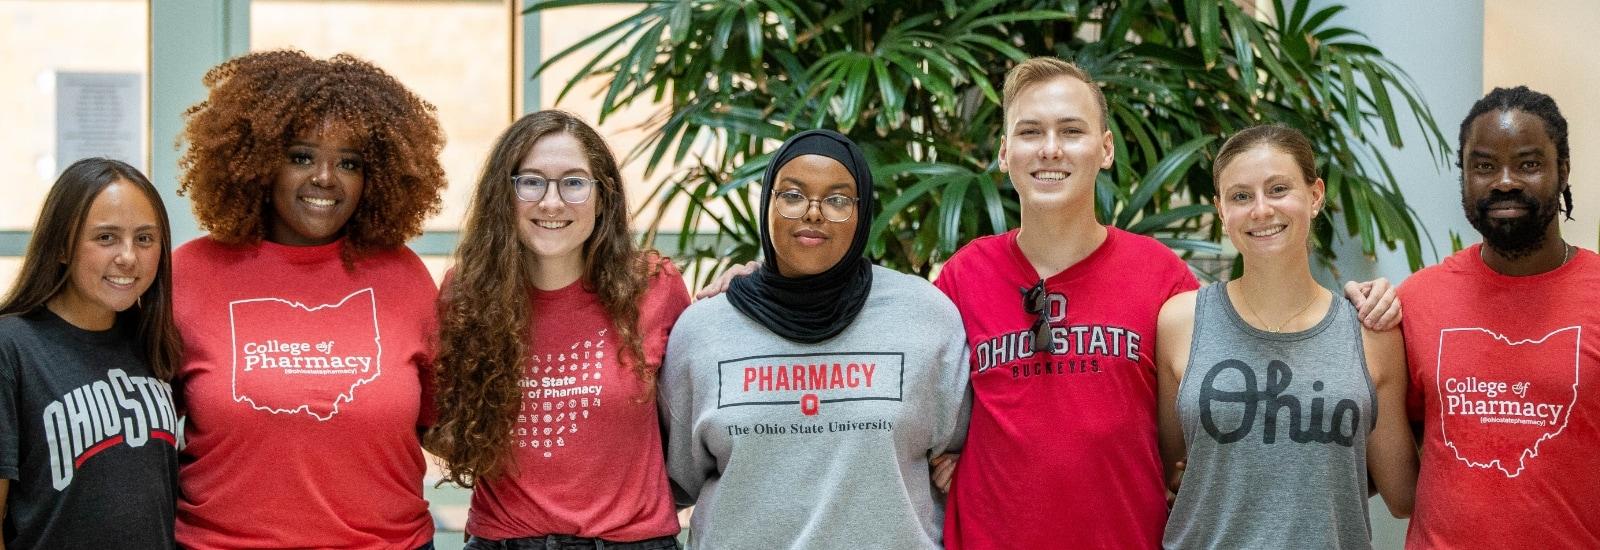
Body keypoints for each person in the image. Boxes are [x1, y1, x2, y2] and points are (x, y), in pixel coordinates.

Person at [931, 57, 1402, 549]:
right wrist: (941, 455)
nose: (1050, 149)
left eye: (1072, 131)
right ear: (1005, 152)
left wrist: (1357, 306)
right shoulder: (963, 278)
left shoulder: (1165, 282)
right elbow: (918, 415)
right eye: (1030, 132)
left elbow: (1241, 427)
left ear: (1106, 148)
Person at [171, 50, 447, 549]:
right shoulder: (189, 273)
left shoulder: (404, 276)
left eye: (349, 162)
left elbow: (442, 425)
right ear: (257, 163)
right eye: (301, 156)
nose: (325, 178)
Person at [661, 129, 969, 549]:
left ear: (863, 214)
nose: (813, 213)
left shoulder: (925, 316)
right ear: (767, 202)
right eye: (792, 195)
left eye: (838, 200)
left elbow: (967, 451)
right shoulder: (704, 330)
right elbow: (675, 479)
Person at [428, 110, 688, 550]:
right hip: (505, 541)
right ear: (503, 196)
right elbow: (443, 422)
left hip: (630, 542)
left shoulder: (654, 285)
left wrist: (752, 281)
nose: (551, 202)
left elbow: (695, 417)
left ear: (602, 197)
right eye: (530, 181)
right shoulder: (465, 293)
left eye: (574, 182)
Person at [1155, 126, 1415, 549]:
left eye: (1278, 189)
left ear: (1315, 196)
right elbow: (1171, 472)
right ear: (1221, 211)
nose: (1261, 210)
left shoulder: (1368, 332)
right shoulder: (1181, 322)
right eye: (1241, 196)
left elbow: (1403, 494)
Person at [1399, 86, 1599, 548]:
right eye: (1484, 166)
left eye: (1528, 164)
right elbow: (1386, 457)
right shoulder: (1417, 299)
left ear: (1562, 170)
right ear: (1464, 176)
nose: (1503, 181)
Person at [0, 158, 182, 548]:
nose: (129, 257)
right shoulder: (11, 347)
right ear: (62, 245)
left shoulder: (154, 344)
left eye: (145, 239)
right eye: (106, 238)